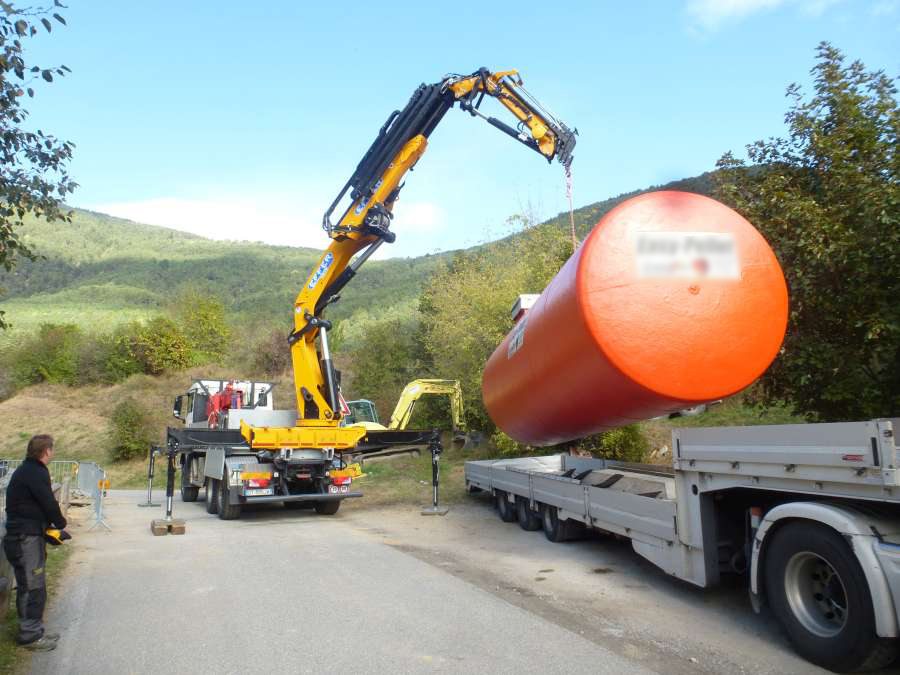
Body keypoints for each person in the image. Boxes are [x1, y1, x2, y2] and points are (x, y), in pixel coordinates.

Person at [2, 434, 67, 651]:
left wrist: (48, 529)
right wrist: (60, 523)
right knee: (32, 585)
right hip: (25, 538)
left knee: (31, 584)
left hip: (25, 535)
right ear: (47, 451)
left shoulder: (27, 470)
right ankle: (30, 635)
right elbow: (47, 502)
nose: (53, 452)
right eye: (52, 449)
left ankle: (34, 629)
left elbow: (32, 506)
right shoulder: (35, 471)